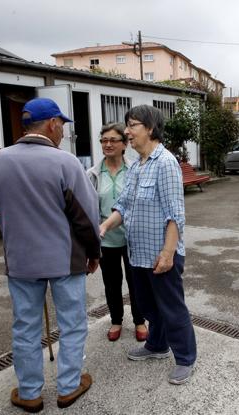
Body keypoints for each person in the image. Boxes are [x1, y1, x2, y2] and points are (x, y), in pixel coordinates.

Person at [0, 97, 101, 412]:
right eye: (61, 125)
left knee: (25, 326)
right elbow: (86, 216)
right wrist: (94, 252)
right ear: (51, 124)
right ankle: (68, 386)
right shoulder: (66, 162)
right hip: (64, 259)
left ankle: (29, 392)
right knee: (73, 323)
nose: (62, 131)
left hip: (21, 260)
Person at [99, 105, 197, 385]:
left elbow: (175, 214)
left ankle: (186, 358)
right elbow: (125, 205)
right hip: (139, 254)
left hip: (160, 255)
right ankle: (156, 345)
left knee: (172, 309)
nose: (127, 131)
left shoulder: (165, 163)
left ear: (150, 128)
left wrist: (168, 253)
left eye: (132, 125)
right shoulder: (138, 164)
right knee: (148, 307)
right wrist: (105, 226)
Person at [87, 123, 148, 342]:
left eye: (113, 140)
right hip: (106, 238)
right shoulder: (93, 174)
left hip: (132, 238)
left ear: (124, 144)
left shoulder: (136, 169)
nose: (108, 144)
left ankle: (140, 320)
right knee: (111, 282)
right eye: (104, 140)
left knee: (136, 282)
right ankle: (116, 320)